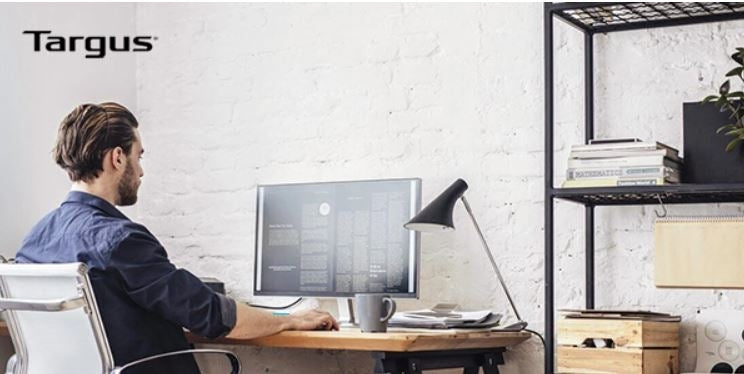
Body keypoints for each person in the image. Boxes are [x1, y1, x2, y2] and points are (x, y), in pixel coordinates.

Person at [16, 102, 338, 373]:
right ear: (117, 158)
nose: (140, 171)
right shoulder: (121, 240)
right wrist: (289, 321)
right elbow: (210, 314)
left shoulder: (34, 242)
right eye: (138, 156)